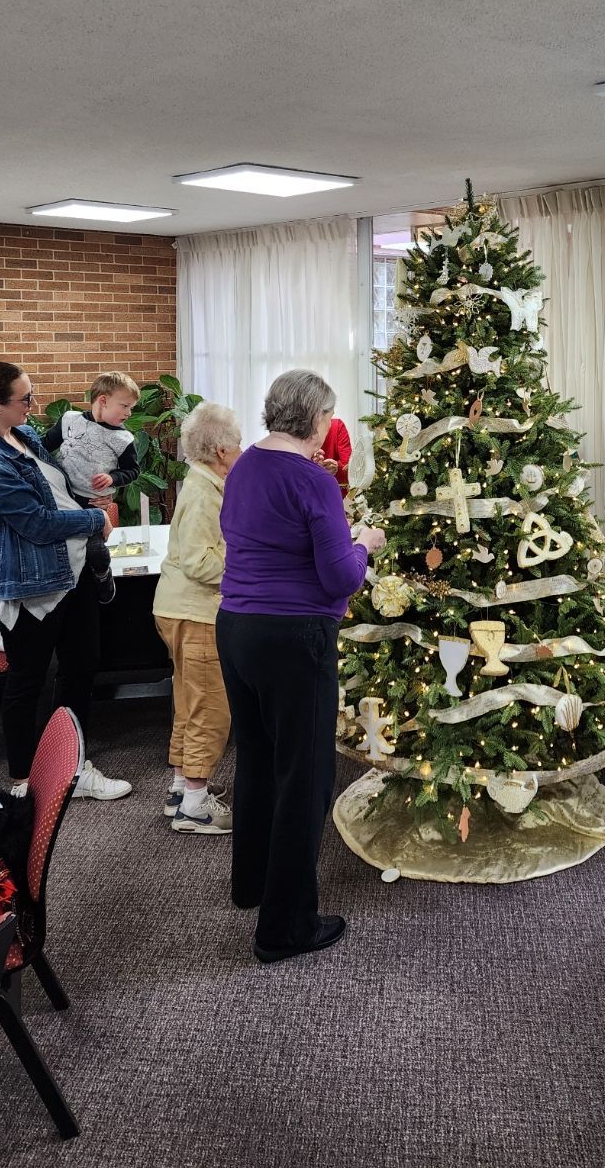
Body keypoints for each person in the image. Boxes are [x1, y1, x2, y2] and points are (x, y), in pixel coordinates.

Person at [217, 369, 385, 963]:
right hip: (295, 636)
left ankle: (254, 883)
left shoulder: (243, 466)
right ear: (316, 420)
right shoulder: (312, 480)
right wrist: (366, 541)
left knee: (259, 759)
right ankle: (285, 926)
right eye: (328, 419)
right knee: (306, 778)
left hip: (236, 628)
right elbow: (341, 575)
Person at [0, 361, 132, 800]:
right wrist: (94, 519)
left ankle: (74, 766)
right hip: (28, 583)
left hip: (68, 571)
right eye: (24, 399)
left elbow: (57, 490)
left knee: (80, 666)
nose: (34, 405)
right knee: (27, 680)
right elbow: (33, 522)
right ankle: (23, 781)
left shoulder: (23, 434)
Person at [153, 401, 242, 835]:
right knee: (210, 705)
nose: (241, 451)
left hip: (179, 609)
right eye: (238, 444)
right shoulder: (204, 493)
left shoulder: (203, 483)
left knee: (189, 701)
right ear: (221, 450)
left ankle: (180, 788)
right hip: (196, 614)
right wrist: (249, 563)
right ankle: (195, 806)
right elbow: (200, 561)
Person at [43, 372, 141, 605]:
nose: (129, 413)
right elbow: (44, 446)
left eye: (131, 408)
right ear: (103, 400)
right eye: (125, 406)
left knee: (95, 551)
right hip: (61, 497)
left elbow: (133, 470)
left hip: (91, 503)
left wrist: (112, 478)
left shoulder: (124, 438)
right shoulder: (69, 419)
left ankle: (103, 575)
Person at [313, 416, 352, 488]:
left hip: (334, 490)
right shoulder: (292, 434)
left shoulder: (336, 426)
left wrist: (336, 469)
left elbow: (349, 469)